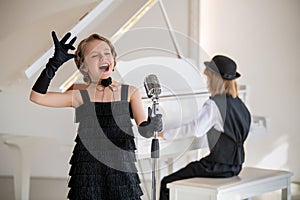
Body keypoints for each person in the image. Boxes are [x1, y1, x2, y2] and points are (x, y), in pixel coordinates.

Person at [30, 31, 162, 200]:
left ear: (113, 60)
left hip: (120, 169)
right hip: (88, 171)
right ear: (84, 66)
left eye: (107, 53)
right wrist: (54, 64)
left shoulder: (129, 92)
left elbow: (144, 129)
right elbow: (37, 97)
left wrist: (152, 126)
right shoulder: (79, 96)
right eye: (94, 55)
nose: (103, 57)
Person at [158, 55, 252, 200]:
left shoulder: (214, 104)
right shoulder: (239, 104)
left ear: (215, 79)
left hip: (217, 166)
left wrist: (165, 134)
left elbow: (196, 129)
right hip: (236, 166)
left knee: (167, 182)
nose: (207, 82)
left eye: (208, 78)